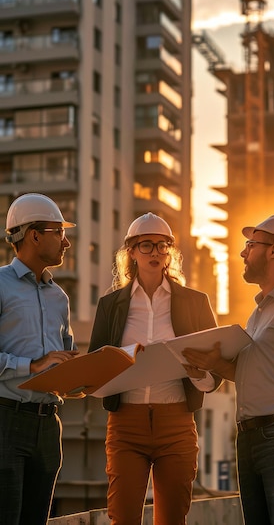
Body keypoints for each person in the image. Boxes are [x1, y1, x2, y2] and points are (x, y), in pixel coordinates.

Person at [182, 214, 274, 525]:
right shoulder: (260, 312)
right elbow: (251, 373)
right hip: (249, 438)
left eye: (250, 245)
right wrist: (213, 364)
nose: (243, 253)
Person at [88, 212, 222, 525]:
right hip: (126, 425)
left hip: (176, 423)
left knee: (173, 519)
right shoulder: (111, 305)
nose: (155, 253)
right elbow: (94, 365)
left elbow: (216, 374)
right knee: (123, 517)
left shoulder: (195, 302)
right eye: (146, 246)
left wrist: (198, 370)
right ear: (131, 252)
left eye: (162, 246)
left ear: (170, 253)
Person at [0, 193, 79, 525]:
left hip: (49, 427)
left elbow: (63, 356)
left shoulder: (59, 297)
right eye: (59, 232)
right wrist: (31, 366)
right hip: (6, 422)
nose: (67, 242)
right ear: (34, 234)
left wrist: (79, 379)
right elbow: (42, 362)